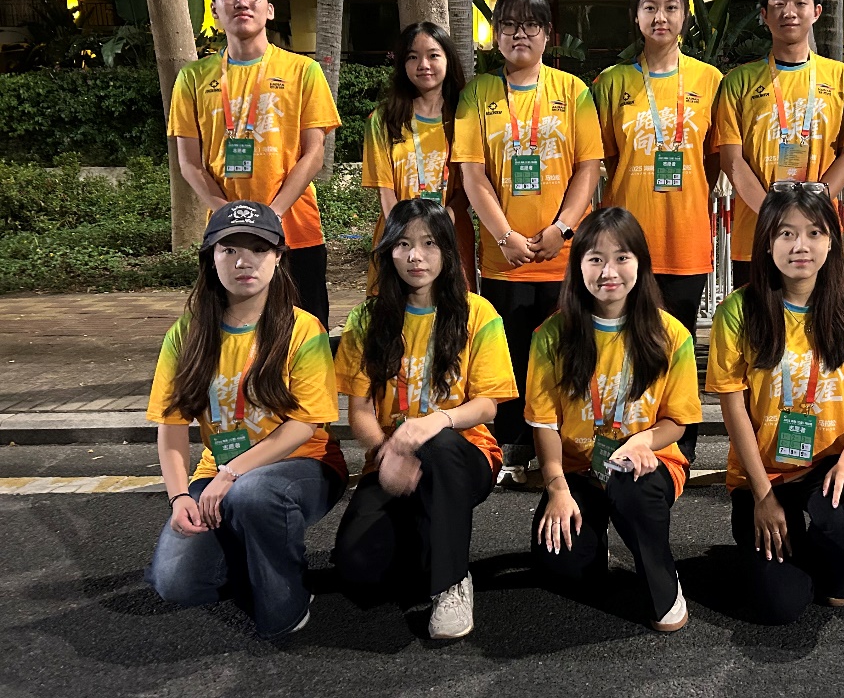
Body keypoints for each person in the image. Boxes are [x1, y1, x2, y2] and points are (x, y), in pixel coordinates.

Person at [145, 201, 347, 639]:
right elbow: (172, 426)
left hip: (302, 465)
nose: (244, 261)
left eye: (258, 248)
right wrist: (179, 497)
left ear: (278, 257)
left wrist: (233, 472)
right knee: (176, 583)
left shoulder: (303, 329)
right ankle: (255, 552)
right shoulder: (186, 333)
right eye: (229, 249)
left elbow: (304, 425)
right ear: (210, 258)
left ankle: (289, 600)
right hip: (217, 474)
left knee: (253, 495)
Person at [331, 197, 517, 640]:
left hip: (463, 453)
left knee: (440, 444)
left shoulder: (477, 312)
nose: (416, 256)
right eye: (404, 244)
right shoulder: (366, 318)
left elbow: (488, 406)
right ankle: (429, 538)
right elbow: (360, 411)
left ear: (448, 250)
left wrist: (436, 422)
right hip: (392, 458)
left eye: (430, 243)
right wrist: (386, 452)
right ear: (388, 252)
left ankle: (451, 582)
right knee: (359, 573)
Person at [705, 183, 844, 624]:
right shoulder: (738, 311)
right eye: (786, 234)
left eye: (814, 233)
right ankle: (792, 544)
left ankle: (829, 551)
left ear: (832, 241)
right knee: (779, 605)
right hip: (764, 473)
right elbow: (734, 410)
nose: (800, 246)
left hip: (829, 464)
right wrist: (763, 496)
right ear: (767, 242)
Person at [453, 0, 603, 485]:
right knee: (513, 355)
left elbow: (588, 167)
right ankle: (514, 448)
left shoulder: (572, 90)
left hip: (565, 256)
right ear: (496, 35)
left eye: (531, 25)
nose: (521, 34)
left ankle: (568, 449)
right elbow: (472, 174)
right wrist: (504, 237)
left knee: (567, 354)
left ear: (547, 34)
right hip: (507, 260)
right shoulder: (478, 94)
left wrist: (563, 228)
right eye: (510, 25)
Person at [524, 207, 700, 632]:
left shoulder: (670, 334)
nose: (609, 272)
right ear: (578, 265)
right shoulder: (552, 335)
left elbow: (678, 422)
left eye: (622, 257)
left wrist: (642, 442)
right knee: (563, 568)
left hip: (647, 464)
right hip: (579, 470)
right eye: (596, 259)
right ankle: (595, 538)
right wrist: (557, 489)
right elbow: (545, 424)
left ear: (640, 263)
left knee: (632, 487)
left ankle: (662, 580)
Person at [591, 0, 722, 463]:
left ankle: (678, 449)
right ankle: (627, 441)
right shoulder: (612, 82)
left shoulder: (710, 81)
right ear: (636, 16)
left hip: (685, 237)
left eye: (670, 7)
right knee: (625, 344)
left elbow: (712, 160)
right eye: (650, 7)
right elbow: (606, 158)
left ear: (685, 16)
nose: (660, 16)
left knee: (678, 343)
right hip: (627, 244)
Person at [169, 0, 341, 330]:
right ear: (215, 10)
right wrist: (227, 216)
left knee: (306, 330)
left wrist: (273, 214)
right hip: (227, 236)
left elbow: (314, 154)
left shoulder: (303, 71)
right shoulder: (193, 78)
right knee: (231, 332)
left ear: (270, 8)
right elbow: (190, 162)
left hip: (295, 229)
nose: (241, 2)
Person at [714, 0, 844, 288]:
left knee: (820, 319)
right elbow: (731, 159)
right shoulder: (738, 81)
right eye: (779, 3)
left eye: (799, 2)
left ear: (816, 11)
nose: (789, 12)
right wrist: (773, 214)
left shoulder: (841, 78)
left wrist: (811, 208)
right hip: (756, 236)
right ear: (764, 15)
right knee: (757, 319)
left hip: (818, 234)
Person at [361, 22, 476, 290]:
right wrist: (406, 235)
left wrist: (441, 224)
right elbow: (385, 191)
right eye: (413, 57)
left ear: (448, 60)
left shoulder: (467, 117)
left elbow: (471, 187)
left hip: (451, 233)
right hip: (398, 236)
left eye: (433, 55)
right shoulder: (383, 119)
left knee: (453, 309)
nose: (423, 64)